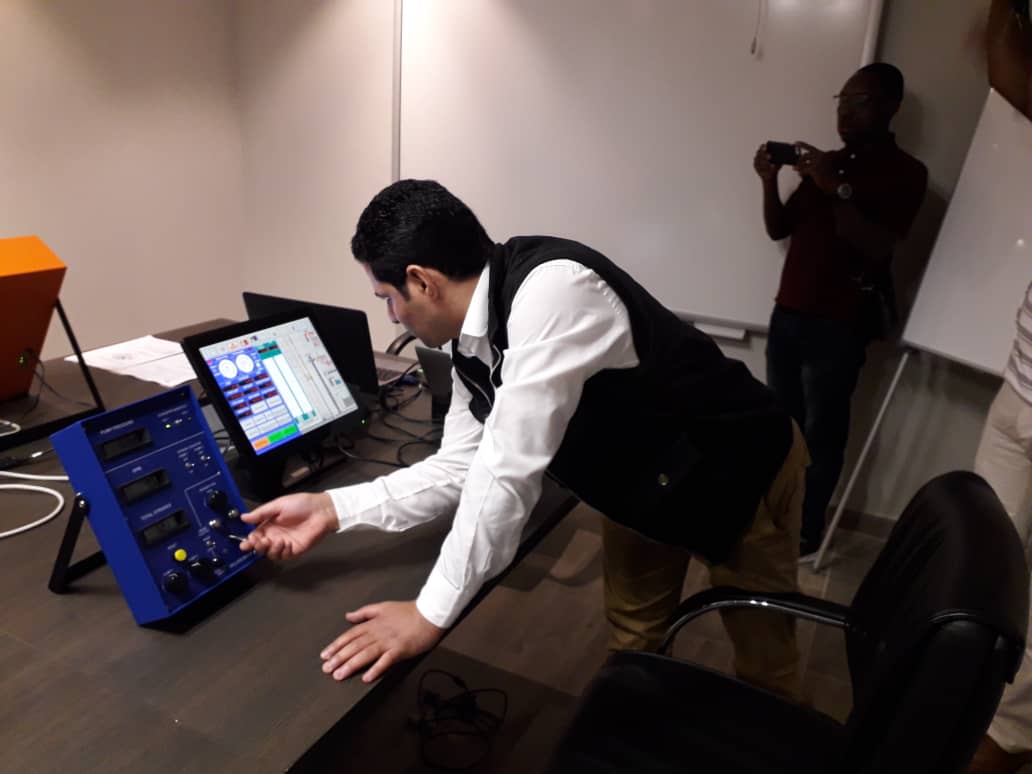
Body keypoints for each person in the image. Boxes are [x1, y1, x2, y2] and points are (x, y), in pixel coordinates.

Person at [240, 179, 809, 696]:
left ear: (422, 281)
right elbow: (460, 467)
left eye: (388, 296)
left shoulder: (555, 294)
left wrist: (429, 613)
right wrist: (331, 509)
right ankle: (637, 729)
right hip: (643, 480)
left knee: (766, 665)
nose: (392, 316)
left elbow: (505, 475)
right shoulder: (471, 342)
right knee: (635, 634)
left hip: (741, 464)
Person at [754, 62, 928, 556]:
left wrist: (836, 188)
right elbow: (778, 228)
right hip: (788, 314)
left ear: (891, 106)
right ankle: (774, 518)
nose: (846, 112)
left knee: (822, 436)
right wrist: (769, 181)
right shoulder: (825, 163)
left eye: (859, 101)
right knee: (781, 427)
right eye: (842, 101)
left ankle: (806, 532)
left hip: (839, 326)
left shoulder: (906, 173)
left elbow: (875, 245)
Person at [968, 4, 1032, 772]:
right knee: (986, 566)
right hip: (1019, 391)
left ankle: (1003, 743)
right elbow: (1008, 72)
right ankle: (965, 705)